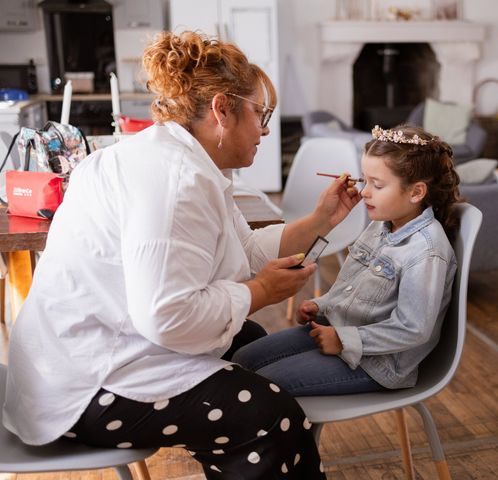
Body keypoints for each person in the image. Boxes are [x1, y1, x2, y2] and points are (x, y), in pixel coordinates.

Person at [2, 31, 361, 479]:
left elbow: (244, 250)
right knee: (270, 418)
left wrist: (321, 219)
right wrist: (260, 292)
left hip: (84, 355)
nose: (266, 129)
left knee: (248, 339)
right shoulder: (174, 181)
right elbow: (167, 316)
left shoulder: (184, 162)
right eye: (260, 113)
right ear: (222, 111)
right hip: (87, 386)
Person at [232, 124, 461, 396]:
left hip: (376, 364)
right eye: (365, 181)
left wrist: (343, 340)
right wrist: (321, 305)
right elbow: (353, 286)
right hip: (338, 331)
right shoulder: (382, 225)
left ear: (416, 193)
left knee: (259, 386)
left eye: (377, 185)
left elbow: (413, 329)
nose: (364, 192)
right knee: (242, 360)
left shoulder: (426, 252)